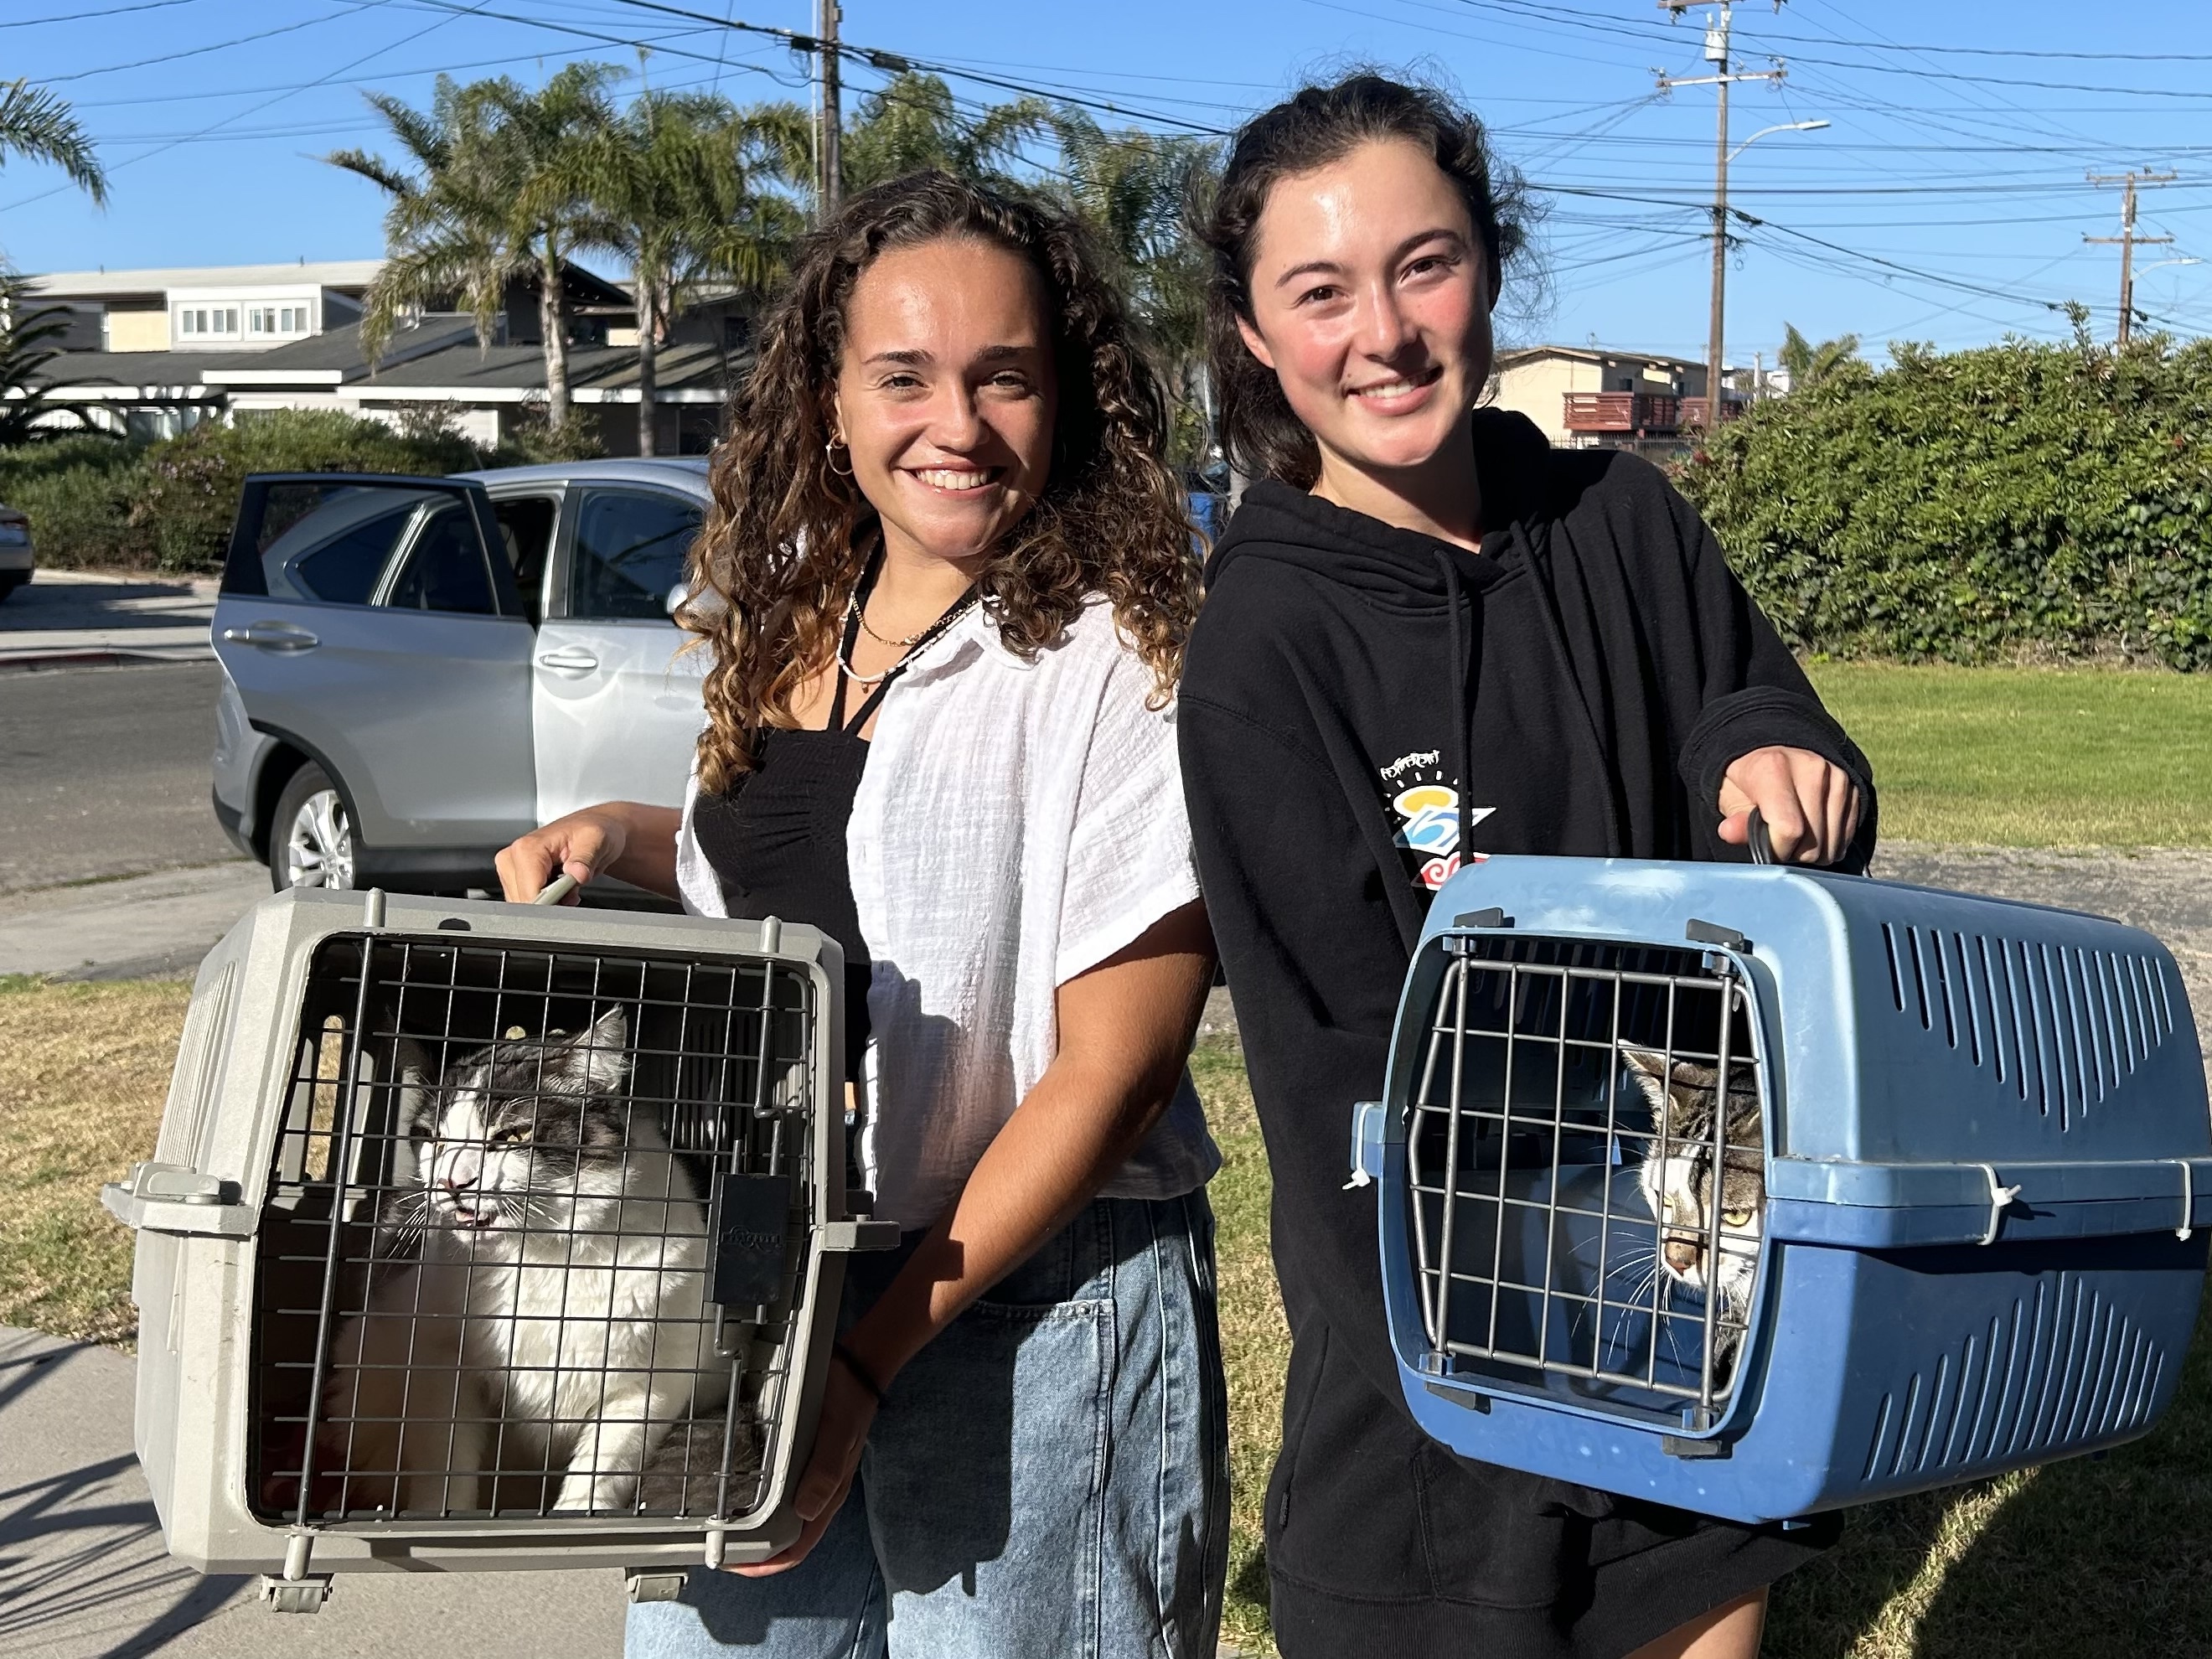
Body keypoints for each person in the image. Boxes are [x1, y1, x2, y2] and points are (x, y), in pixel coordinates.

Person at [1177, 76, 1878, 1659]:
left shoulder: (1619, 514)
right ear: (1253, 333)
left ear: (1491, 266)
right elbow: (1332, 1063)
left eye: (1426, 265)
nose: (1385, 333)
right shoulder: (1263, 642)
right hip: (1447, 1363)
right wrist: (1465, 1350)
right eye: (1321, 291)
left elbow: (1750, 702)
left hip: (1696, 1306)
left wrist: (1777, 752)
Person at [496, 170, 1228, 1659]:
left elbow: (1120, 1069)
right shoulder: (791, 611)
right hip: (770, 1283)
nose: (954, 427)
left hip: (1033, 1316)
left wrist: (867, 1363)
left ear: (1067, 401)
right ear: (830, 400)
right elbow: (811, 874)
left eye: (1002, 378)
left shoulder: (1123, 654)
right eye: (904, 376)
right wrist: (630, 837)